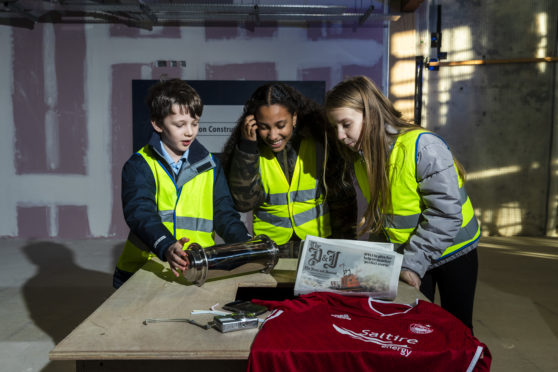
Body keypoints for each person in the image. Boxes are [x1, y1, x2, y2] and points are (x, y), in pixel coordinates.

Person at [324, 75, 481, 330]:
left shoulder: (423, 146)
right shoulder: (363, 158)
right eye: (335, 127)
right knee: (415, 329)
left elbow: (446, 213)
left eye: (346, 124)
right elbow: (384, 217)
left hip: (453, 251)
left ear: (371, 115)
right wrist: (378, 264)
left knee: (458, 330)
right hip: (412, 253)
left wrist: (411, 263)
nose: (340, 135)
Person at [113, 79, 251, 289]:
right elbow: (140, 213)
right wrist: (166, 245)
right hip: (148, 266)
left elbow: (224, 214)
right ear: (158, 124)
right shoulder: (140, 165)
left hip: (198, 267)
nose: (189, 132)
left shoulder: (211, 165)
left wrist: (247, 245)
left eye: (194, 123)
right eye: (180, 125)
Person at [221, 82, 357, 258]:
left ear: (294, 118)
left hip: (319, 247)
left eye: (280, 125)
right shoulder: (252, 151)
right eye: (264, 127)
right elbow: (244, 203)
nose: (273, 135)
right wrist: (247, 148)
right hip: (271, 250)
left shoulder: (320, 143)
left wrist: (345, 250)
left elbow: (343, 201)